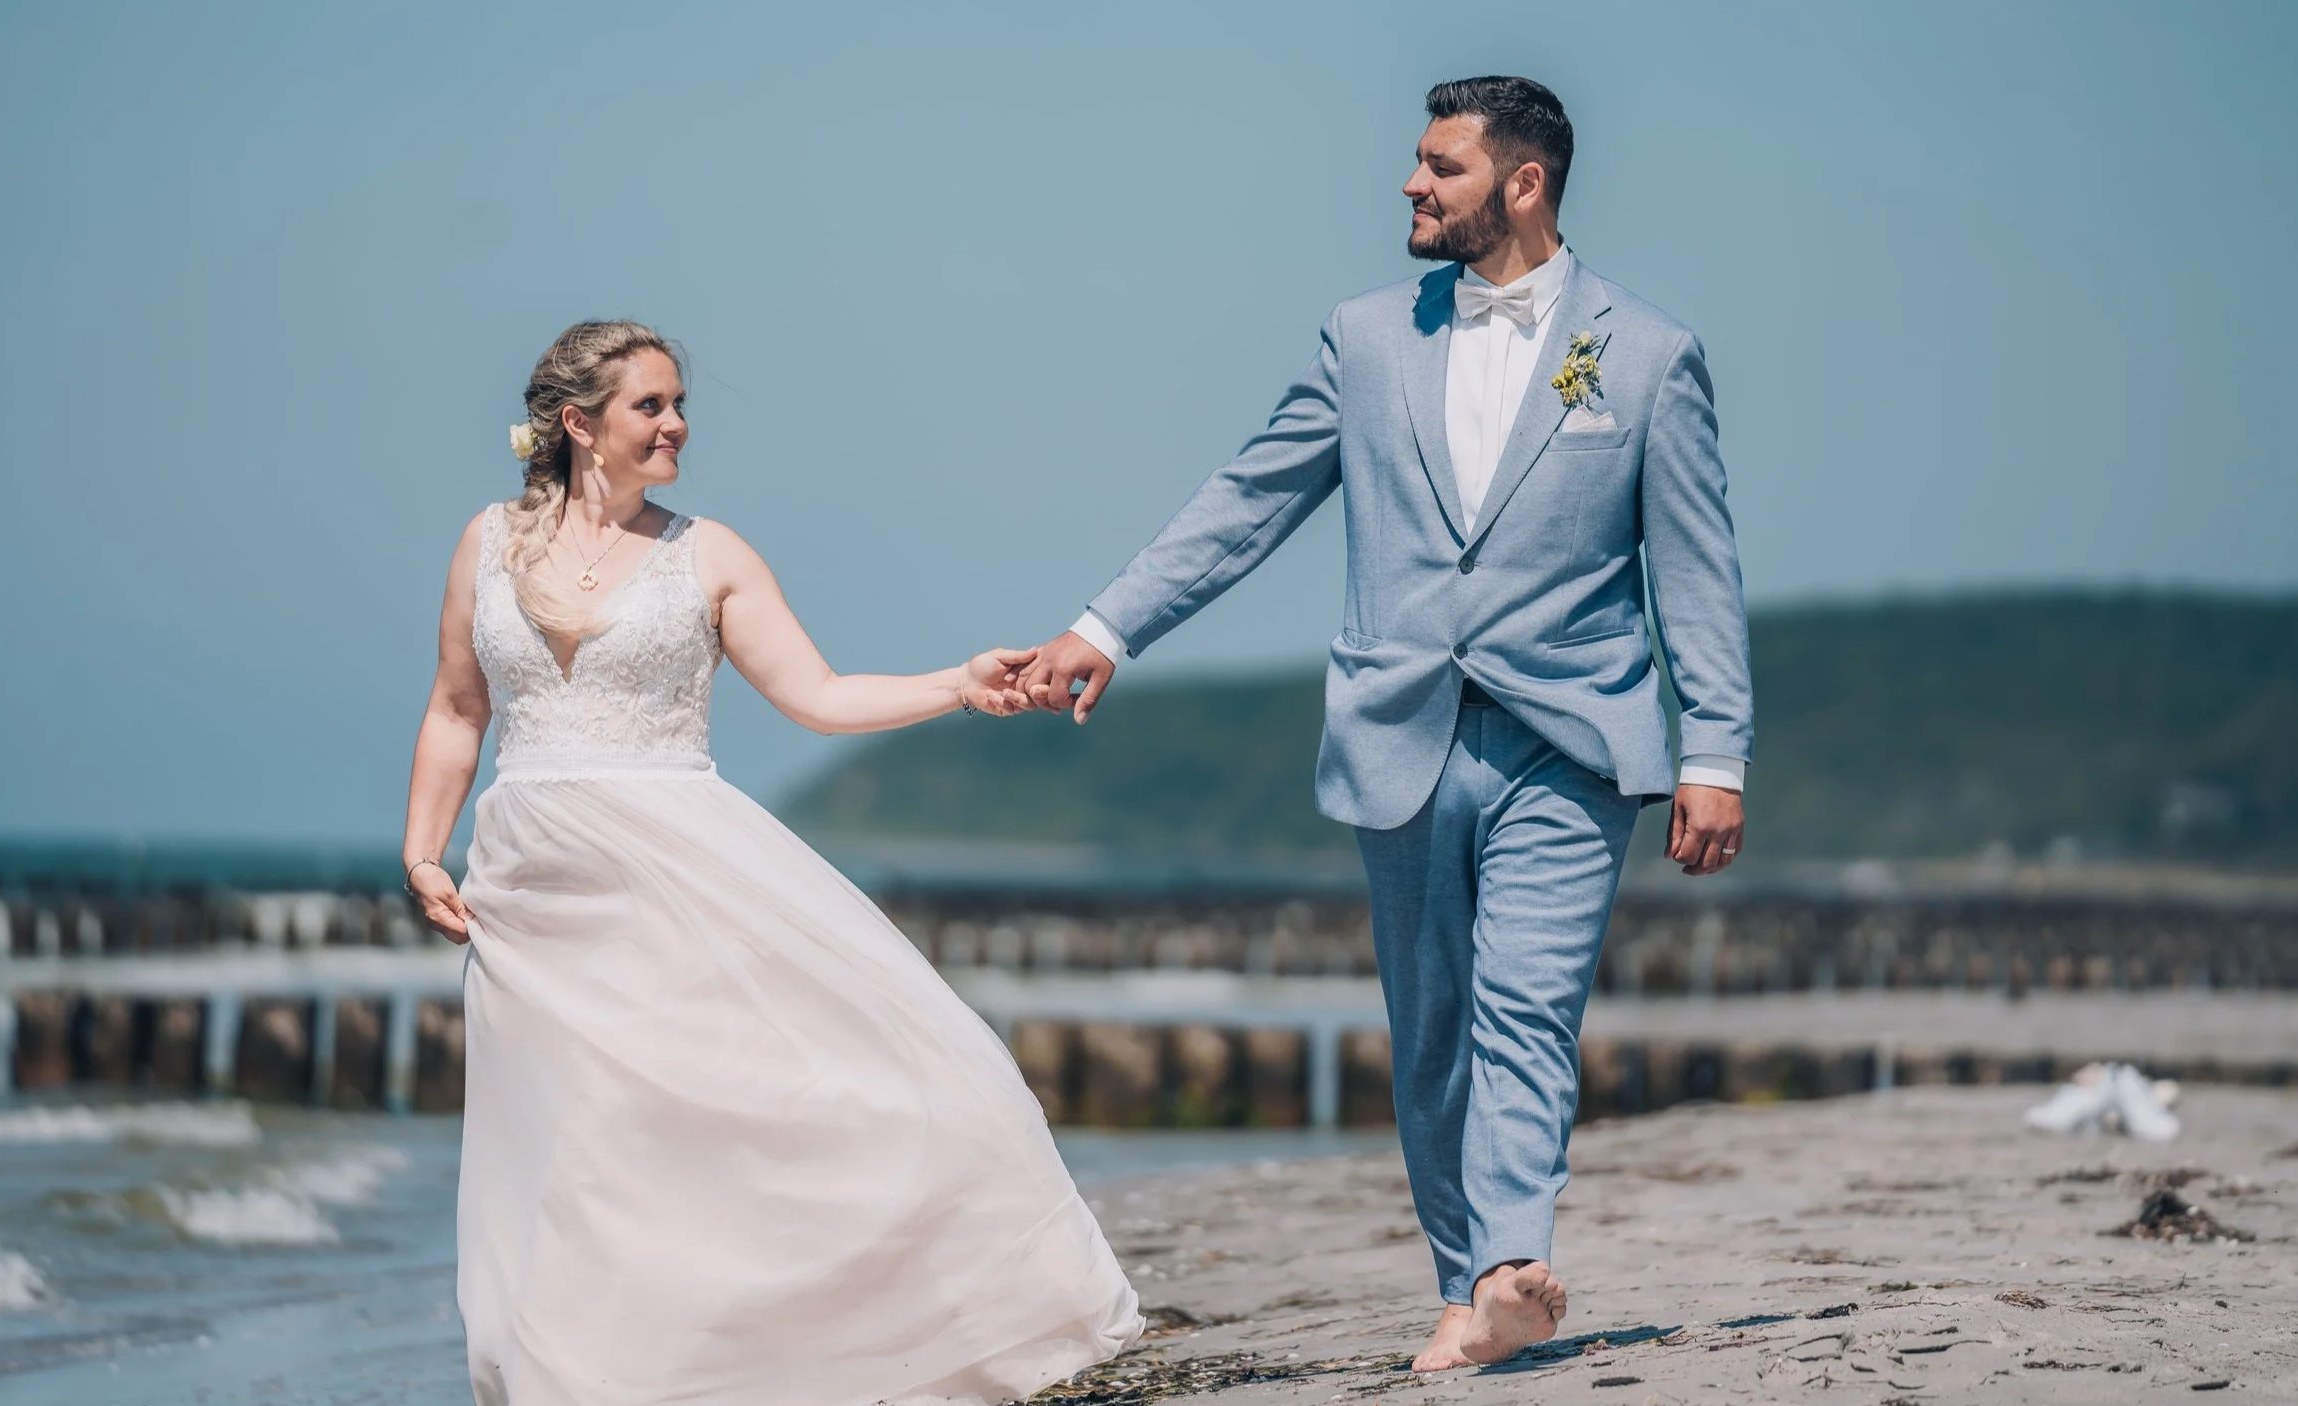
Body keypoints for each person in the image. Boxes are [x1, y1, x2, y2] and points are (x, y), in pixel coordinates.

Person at [1017, 76, 1754, 1369]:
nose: (1411, 186)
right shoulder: (1362, 340)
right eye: (1416, 166)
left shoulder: (1645, 354)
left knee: (1526, 1007)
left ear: (1522, 183)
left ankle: (1510, 1262)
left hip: (1572, 740)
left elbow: (1696, 566)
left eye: (1440, 167)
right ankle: (1465, 1281)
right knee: (1431, 1037)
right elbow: (1247, 499)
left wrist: (1714, 750)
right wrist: (1106, 626)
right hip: (1399, 730)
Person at [400, 319, 1144, 1404]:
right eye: (649, 405)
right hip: (535, 895)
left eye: (677, 402)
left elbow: (819, 695)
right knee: (576, 1153)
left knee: (753, 1111)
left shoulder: (709, 551)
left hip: (678, 869)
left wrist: (957, 679)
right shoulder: (484, 543)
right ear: (577, 423)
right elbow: (457, 707)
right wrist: (423, 847)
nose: (676, 424)